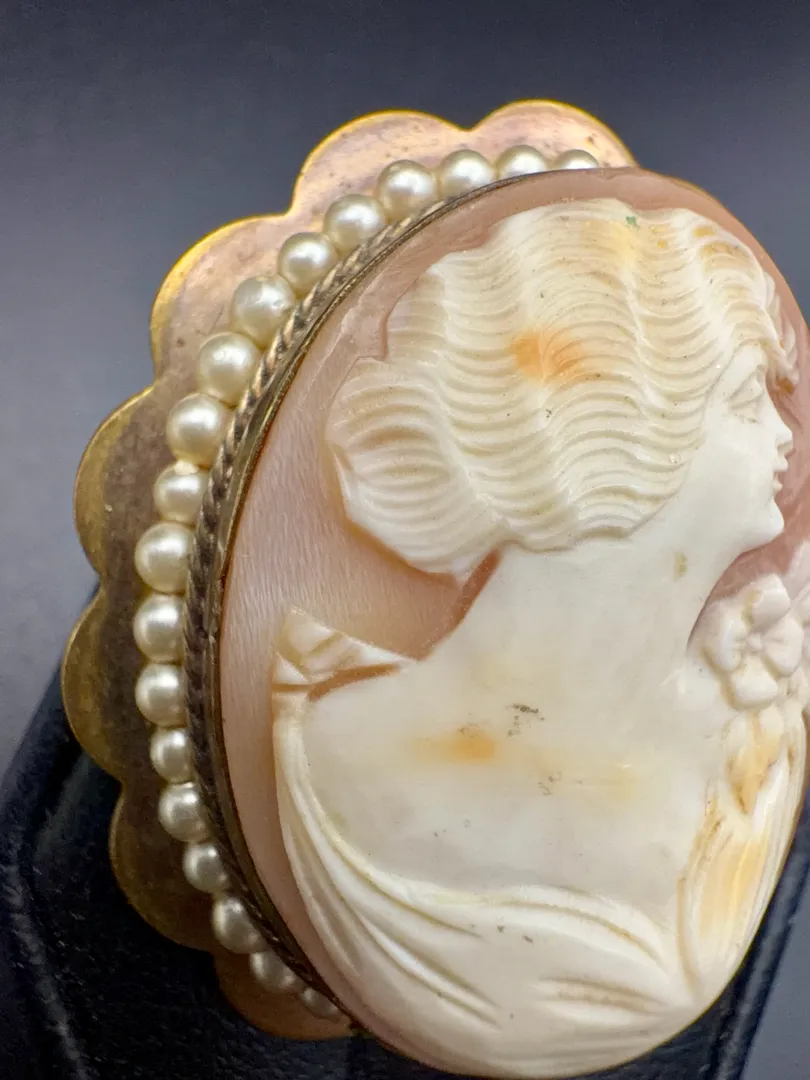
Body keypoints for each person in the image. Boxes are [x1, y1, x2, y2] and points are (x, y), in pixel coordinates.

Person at [270, 198, 805, 1078]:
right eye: (747, 400)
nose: (788, 436)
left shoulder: (746, 726)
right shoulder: (340, 761)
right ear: (608, 438)